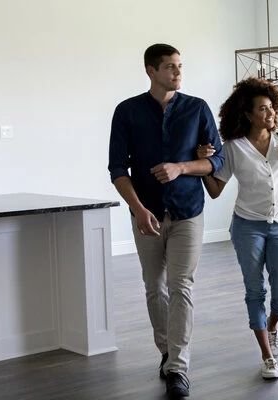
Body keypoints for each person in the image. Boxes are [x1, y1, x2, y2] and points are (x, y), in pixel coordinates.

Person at [107, 43, 223, 399]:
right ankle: (166, 351)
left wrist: (182, 167)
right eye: (171, 66)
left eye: (180, 66)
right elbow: (117, 168)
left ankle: (178, 367)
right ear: (151, 71)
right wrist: (138, 209)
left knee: (181, 285)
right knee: (154, 286)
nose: (178, 72)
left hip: (188, 211)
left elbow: (217, 161)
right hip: (147, 214)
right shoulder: (127, 111)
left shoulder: (197, 108)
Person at [200, 77, 278, 380]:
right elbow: (215, 190)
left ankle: (272, 326)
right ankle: (267, 356)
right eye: (263, 109)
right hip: (247, 227)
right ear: (247, 114)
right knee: (255, 290)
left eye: (272, 107)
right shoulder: (233, 147)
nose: (271, 113)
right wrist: (202, 165)